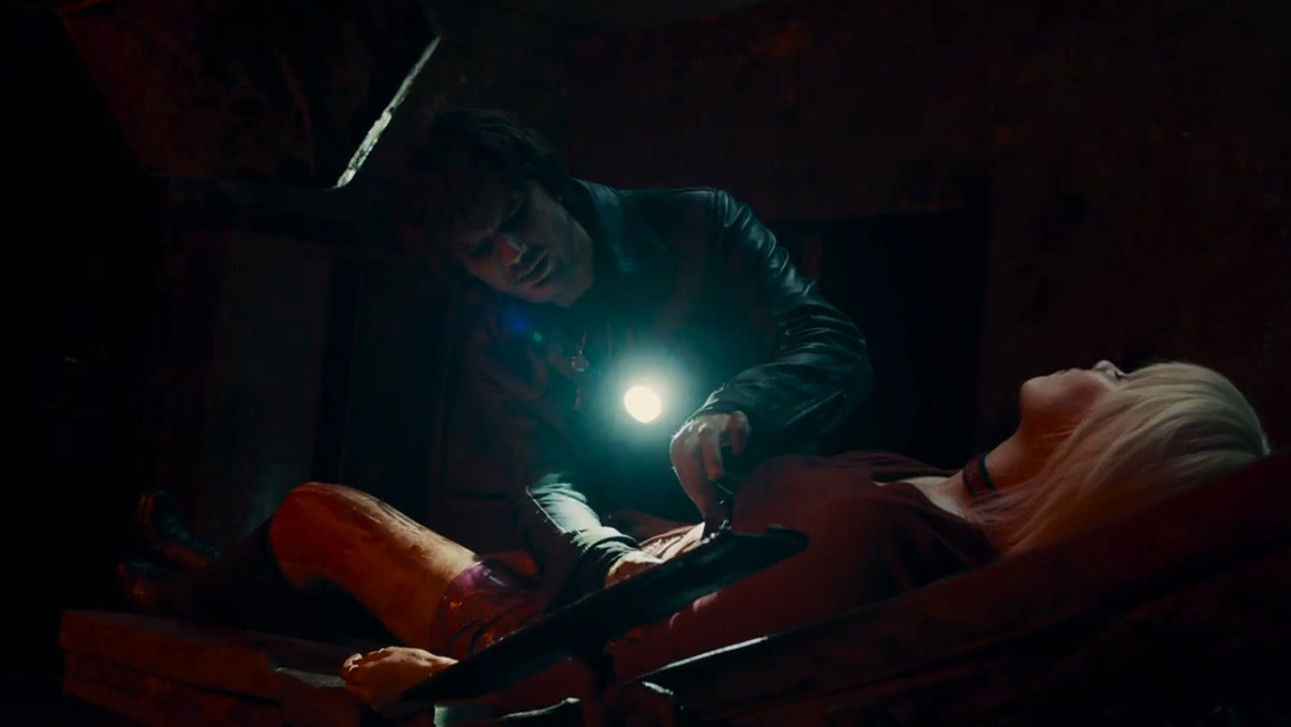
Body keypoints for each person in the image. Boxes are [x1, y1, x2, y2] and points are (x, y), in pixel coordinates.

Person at [246, 359, 1265, 709]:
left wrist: (460, 693)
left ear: (1114, 451)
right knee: (547, 495)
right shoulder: (933, 491)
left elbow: (669, 665)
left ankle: (205, 583)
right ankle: (204, 570)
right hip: (651, 553)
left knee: (319, 511)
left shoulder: (898, 541)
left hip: (566, 626)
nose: (1108, 365)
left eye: (1129, 385)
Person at [400, 108, 871, 608]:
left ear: (550, 186)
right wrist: (605, 559)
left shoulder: (700, 224)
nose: (513, 254)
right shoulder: (495, 344)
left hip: (778, 510)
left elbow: (831, 343)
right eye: (481, 250)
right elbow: (539, 478)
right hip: (642, 548)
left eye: (517, 217)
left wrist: (741, 406)